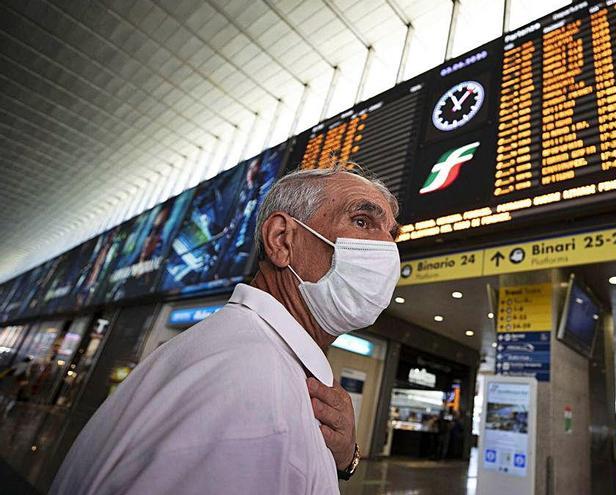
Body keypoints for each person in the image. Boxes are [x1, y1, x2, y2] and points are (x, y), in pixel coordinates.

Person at [50, 166, 402, 494]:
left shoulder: (247, 356)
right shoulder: (253, 383)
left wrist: (345, 459)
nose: (387, 247)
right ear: (282, 240)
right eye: (362, 220)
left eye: (391, 232)